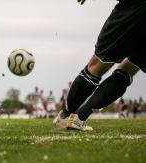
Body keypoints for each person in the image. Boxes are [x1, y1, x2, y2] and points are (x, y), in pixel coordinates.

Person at [54, 0, 146, 131]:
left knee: (96, 66)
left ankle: (65, 116)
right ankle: (78, 119)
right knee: (127, 71)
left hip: (134, 8)